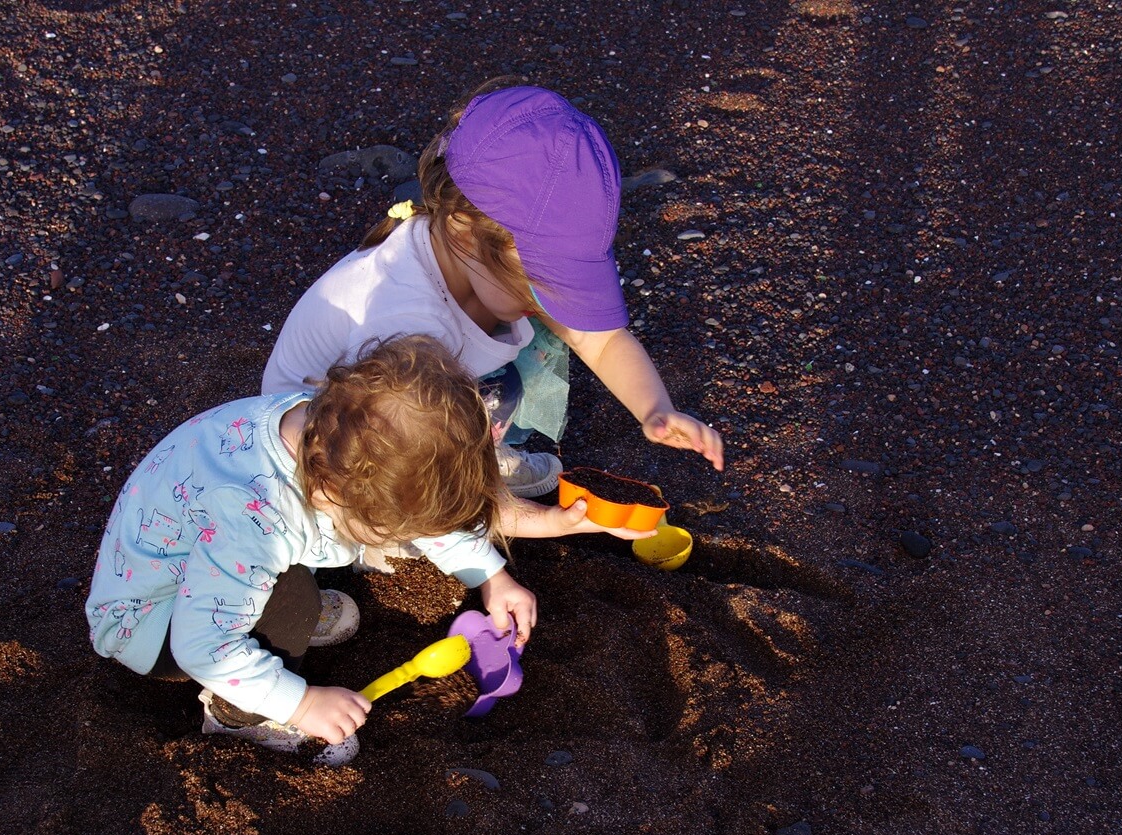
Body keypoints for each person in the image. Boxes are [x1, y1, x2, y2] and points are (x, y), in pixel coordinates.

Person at [263, 81, 724, 513]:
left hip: (410, 395)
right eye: (540, 280)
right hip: (332, 449)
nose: (550, 299)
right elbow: (375, 451)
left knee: (510, 377)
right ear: (465, 234)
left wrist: (656, 409)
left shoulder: (468, 255)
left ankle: (478, 449)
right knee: (397, 507)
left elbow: (599, 340)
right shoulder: (406, 323)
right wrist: (490, 517)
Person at [85, 335, 537, 766]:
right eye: (392, 529)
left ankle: (268, 622)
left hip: (207, 561)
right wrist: (301, 703)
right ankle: (237, 718)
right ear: (330, 494)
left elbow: (418, 503)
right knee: (296, 598)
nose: (406, 536)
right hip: (150, 622)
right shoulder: (256, 519)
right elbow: (203, 648)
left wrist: (491, 576)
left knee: (289, 579)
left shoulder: (328, 432)